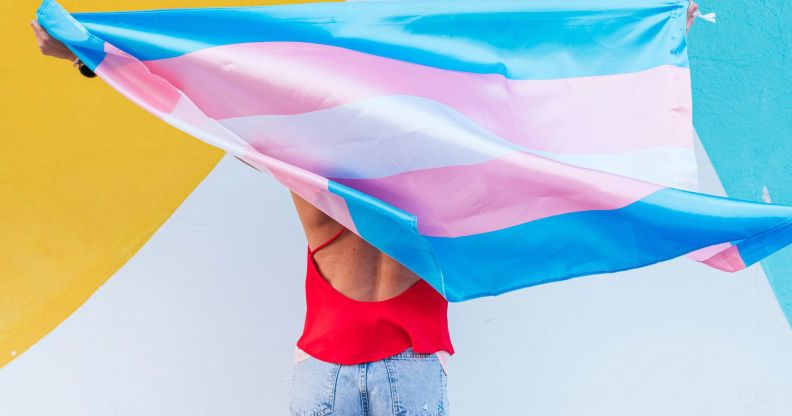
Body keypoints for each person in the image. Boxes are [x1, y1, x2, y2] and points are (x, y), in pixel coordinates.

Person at [30, 2, 700, 414]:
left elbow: (209, 107)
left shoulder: (306, 171)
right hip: (411, 375)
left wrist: (93, 54)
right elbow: (535, 109)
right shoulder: (450, 182)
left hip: (322, 373)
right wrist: (662, 27)